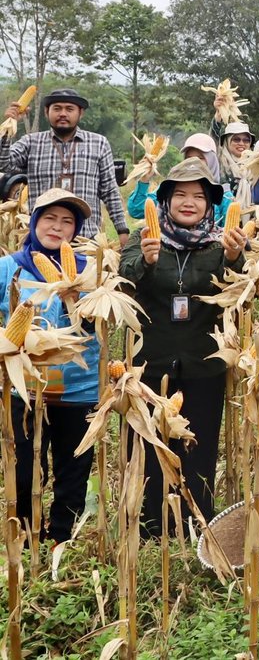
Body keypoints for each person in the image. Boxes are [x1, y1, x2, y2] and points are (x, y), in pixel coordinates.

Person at [121, 159, 245, 530]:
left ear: (210, 205)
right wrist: (145, 260)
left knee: (199, 444)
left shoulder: (222, 245)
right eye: (180, 195)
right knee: (149, 443)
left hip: (203, 363)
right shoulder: (143, 239)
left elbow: (242, 292)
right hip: (150, 364)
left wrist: (236, 259)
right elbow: (123, 283)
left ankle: (196, 521)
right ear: (166, 201)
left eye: (198, 196)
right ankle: (150, 522)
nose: (188, 202)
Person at [0, 190, 100, 544]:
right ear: (35, 222)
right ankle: (27, 540)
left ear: (76, 230)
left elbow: (100, 326)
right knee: (25, 472)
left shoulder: (93, 273)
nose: (57, 227)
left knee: (73, 474)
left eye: (67, 221)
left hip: (79, 389)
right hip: (23, 388)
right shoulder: (9, 267)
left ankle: (62, 542)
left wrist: (78, 304)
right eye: (50, 218)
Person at [3, 88, 129, 245]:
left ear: (80, 113)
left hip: (86, 240)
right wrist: (8, 127)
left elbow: (110, 191)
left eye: (69, 109)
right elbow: (4, 163)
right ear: (46, 112)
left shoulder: (99, 143)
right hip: (42, 240)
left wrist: (122, 230)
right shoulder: (31, 142)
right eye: (57, 108)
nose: (63, 113)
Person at [128, 134, 232, 225]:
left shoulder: (224, 196)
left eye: (200, 158)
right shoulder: (172, 187)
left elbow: (228, 232)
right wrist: (144, 179)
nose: (193, 162)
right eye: (189, 157)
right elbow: (137, 210)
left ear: (212, 161)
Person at [211, 121, 254, 197]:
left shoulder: (255, 163)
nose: (241, 143)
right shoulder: (220, 161)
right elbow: (214, 138)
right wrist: (217, 120)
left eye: (246, 140)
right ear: (227, 141)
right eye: (236, 139)